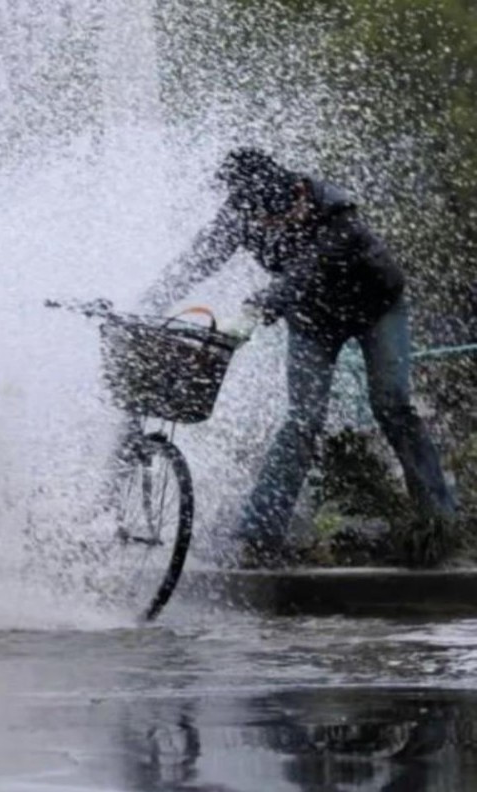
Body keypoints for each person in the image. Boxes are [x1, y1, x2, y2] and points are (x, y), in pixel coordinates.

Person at [143, 147, 460, 565]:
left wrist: (260, 307)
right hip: (312, 319)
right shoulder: (245, 209)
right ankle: (259, 533)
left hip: (376, 308)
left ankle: (438, 518)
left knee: (392, 404)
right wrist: (152, 301)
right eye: (259, 219)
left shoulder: (339, 216)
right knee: (301, 420)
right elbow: (198, 260)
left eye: (276, 217)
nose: (268, 227)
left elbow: (305, 270)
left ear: (297, 194)